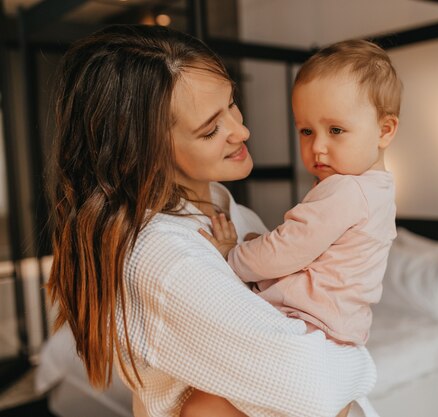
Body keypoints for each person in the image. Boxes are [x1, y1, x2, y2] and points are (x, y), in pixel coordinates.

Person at [46, 24, 378, 417]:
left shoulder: (228, 211)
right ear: (147, 154)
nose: (242, 130)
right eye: (210, 130)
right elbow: (315, 389)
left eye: (232, 104)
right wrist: (357, 359)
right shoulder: (164, 259)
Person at [182, 39, 401, 417]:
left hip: (310, 326)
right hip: (335, 328)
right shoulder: (375, 190)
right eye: (305, 131)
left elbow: (285, 251)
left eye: (335, 130)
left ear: (384, 130)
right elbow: (303, 246)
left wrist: (231, 256)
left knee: (204, 404)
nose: (317, 147)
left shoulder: (345, 191)